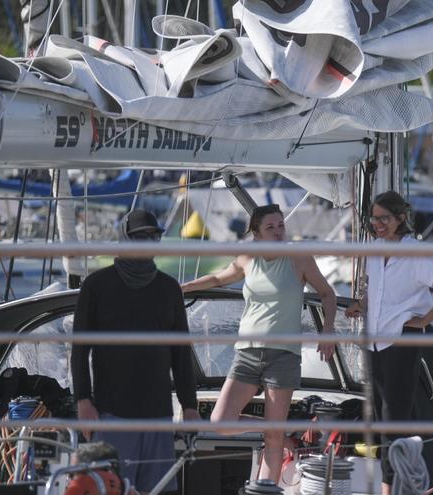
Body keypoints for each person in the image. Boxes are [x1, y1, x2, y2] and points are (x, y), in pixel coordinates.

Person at [180, 203, 337, 483]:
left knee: (273, 439)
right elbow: (218, 278)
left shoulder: (299, 258)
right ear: (256, 233)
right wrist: (183, 288)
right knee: (221, 422)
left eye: (281, 226)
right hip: (247, 353)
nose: (278, 232)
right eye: (270, 227)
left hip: (283, 355)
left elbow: (327, 294)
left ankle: (268, 486)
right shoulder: (247, 258)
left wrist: (327, 330)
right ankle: (279, 430)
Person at [71, 209, 199, 494]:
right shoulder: (96, 286)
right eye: (141, 237)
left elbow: (181, 353)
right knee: (110, 487)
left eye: (154, 237)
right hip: (112, 412)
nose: (149, 242)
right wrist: (83, 399)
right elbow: (80, 349)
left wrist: (189, 405)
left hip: (159, 414)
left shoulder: (169, 289)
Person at [345, 191, 433, 495]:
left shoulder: (414, 252)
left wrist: (424, 320)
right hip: (373, 340)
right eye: (374, 218)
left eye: (385, 218)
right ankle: (402, 479)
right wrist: (360, 303)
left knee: (392, 416)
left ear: (400, 219)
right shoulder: (373, 249)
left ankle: (390, 486)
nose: (378, 223)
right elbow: (380, 293)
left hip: (401, 339)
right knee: (381, 412)